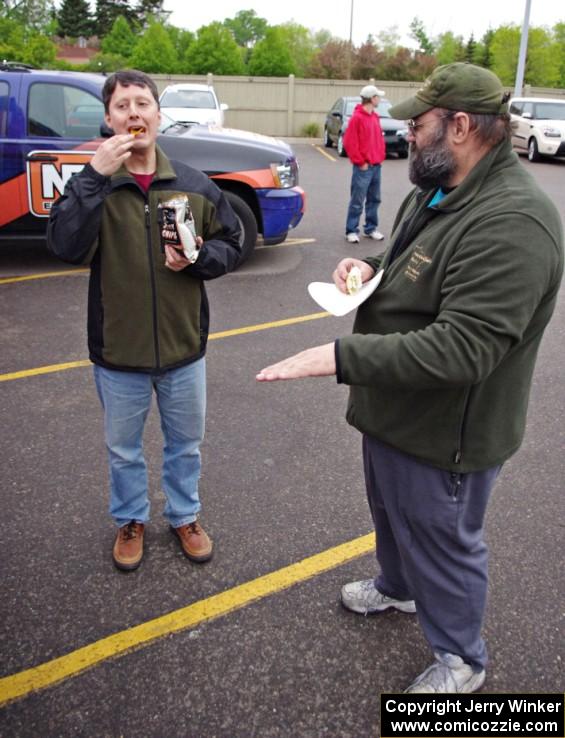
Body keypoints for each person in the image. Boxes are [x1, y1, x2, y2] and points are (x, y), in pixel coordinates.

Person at [257, 63, 564, 693]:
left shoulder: (513, 222)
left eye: (417, 123)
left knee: (443, 541)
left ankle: (461, 661)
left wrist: (340, 358)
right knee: (392, 514)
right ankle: (398, 589)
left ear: (459, 125)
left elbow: (465, 349)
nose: (406, 132)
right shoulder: (439, 187)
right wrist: (365, 268)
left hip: (447, 430)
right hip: (397, 411)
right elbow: (407, 261)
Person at [47, 70, 241, 572]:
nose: (134, 113)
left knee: (186, 447)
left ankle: (184, 516)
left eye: (143, 103)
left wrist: (198, 260)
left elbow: (233, 244)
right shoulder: (95, 186)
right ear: (109, 120)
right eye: (122, 106)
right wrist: (92, 178)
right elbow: (65, 247)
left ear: (158, 115)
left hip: (182, 349)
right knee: (124, 451)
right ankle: (130, 519)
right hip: (119, 352)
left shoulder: (193, 185)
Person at [343, 85, 386, 244]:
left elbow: (378, 140)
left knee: (374, 199)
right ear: (372, 98)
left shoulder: (375, 117)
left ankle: (371, 228)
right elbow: (349, 142)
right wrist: (360, 162)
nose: (379, 100)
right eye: (378, 97)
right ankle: (351, 230)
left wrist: (380, 157)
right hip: (364, 167)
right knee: (357, 201)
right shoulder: (357, 118)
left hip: (376, 166)